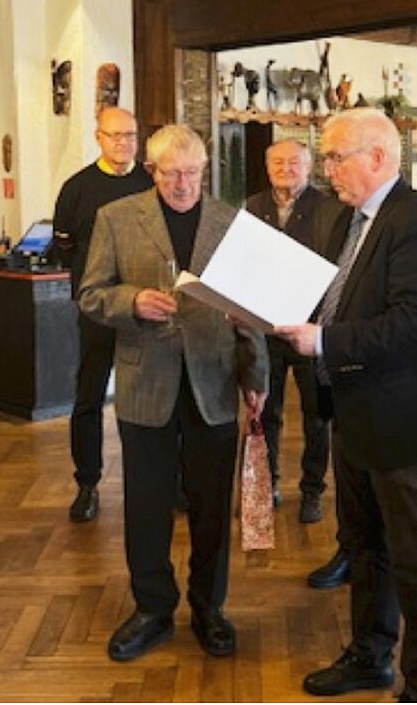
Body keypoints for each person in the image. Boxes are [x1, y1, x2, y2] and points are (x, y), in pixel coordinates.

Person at [273, 108, 417, 702]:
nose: (326, 170)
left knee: (415, 561)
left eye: (334, 156)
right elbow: (336, 299)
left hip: (403, 419)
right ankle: (369, 655)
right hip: (354, 411)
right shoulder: (352, 220)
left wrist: (324, 341)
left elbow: (416, 324)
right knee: (364, 548)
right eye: (325, 158)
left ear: (377, 157)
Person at [79, 124, 267, 663]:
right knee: (146, 505)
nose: (183, 184)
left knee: (211, 508)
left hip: (214, 381)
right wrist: (131, 300)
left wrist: (257, 382)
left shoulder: (231, 223)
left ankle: (210, 609)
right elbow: (90, 294)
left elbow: (249, 313)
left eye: (193, 173)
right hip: (146, 381)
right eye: (172, 173)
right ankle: (152, 609)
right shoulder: (116, 218)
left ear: (204, 171)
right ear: (151, 171)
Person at [52, 106, 152, 523]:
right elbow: (64, 246)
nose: (123, 143)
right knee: (89, 396)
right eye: (115, 136)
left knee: (150, 396)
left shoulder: (151, 182)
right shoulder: (77, 187)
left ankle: (155, 480)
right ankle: (87, 484)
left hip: (145, 308)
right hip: (97, 308)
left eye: (130, 135)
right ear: (98, 137)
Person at [243, 139, 341, 523]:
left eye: (294, 162)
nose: (286, 168)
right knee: (265, 411)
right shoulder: (253, 207)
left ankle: (312, 490)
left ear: (309, 166)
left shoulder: (330, 209)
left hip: (309, 327)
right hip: (265, 328)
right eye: (278, 162)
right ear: (268, 168)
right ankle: (266, 486)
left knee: (316, 415)